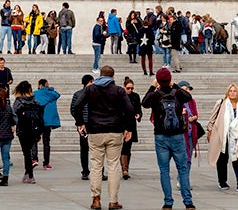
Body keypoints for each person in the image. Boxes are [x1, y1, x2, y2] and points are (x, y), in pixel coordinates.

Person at [79, 64, 134, 209]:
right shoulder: (118, 90)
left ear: (100, 75)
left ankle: (96, 199)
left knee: (96, 166)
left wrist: (80, 123)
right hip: (114, 130)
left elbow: (78, 105)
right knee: (113, 165)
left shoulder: (90, 89)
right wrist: (128, 128)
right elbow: (129, 109)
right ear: (113, 77)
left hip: (95, 130)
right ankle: (113, 200)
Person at [145, 67, 197, 210]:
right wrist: (173, 85)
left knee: (164, 170)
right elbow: (189, 97)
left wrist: (153, 86)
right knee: (183, 169)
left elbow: (144, 103)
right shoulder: (178, 93)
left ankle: (168, 202)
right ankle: (188, 202)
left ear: (158, 80)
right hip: (178, 135)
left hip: (161, 136)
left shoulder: (155, 95)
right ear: (169, 80)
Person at [204, 83, 238, 193]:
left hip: (236, 136)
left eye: (234, 91)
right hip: (223, 135)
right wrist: (209, 130)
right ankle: (222, 181)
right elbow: (212, 118)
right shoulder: (221, 103)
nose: (232, 92)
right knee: (222, 159)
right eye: (230, 91)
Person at [11, 81, 42, 184]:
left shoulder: (19, 101)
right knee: (29, 151)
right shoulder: (35, 101)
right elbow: (40, 116)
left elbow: (13, 114)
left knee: (26, 152)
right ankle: (28, 173)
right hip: (34, 129)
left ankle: (30, 174)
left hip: (23, 129)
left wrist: (12, 125)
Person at [71, 74, 94, 181]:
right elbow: (73, 110)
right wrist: (79, 123)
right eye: (91, 82)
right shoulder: (78, 94)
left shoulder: (96, 93)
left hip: (94, 123)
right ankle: (85, 171)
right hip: (83, 124)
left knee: (97, 149)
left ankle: (99, 171)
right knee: (84, 149)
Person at [35, 79, 62, 171]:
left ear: (40, 85)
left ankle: (34, 159)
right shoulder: (52, 94)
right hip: (48, 122)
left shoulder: (36, 93)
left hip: (38, 120)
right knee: (46, 142)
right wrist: (50, 89)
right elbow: (57, 95)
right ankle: (46, 163)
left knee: (34, 140)